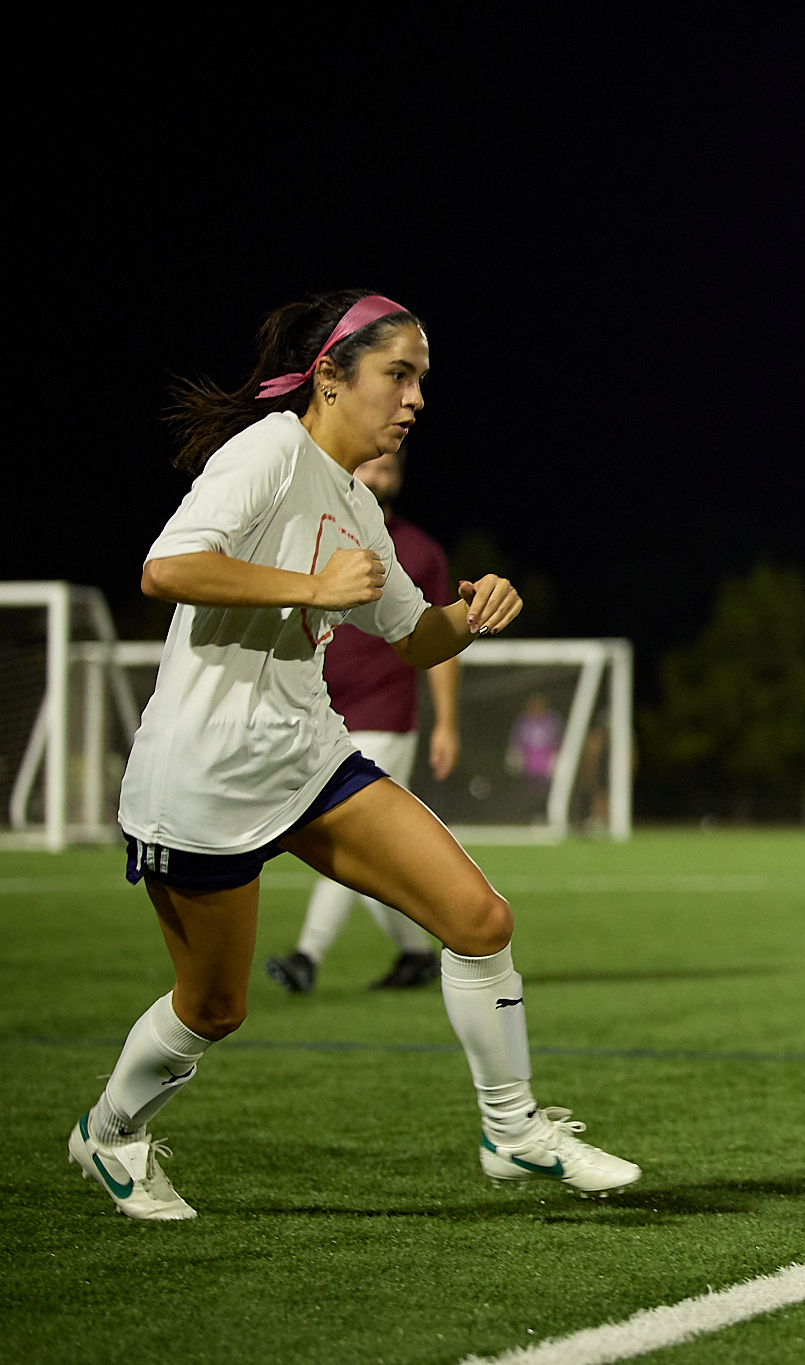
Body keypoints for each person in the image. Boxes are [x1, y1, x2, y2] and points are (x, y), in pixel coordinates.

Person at [72, 290, 639, 1220]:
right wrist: (311, 585)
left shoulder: (355, 501)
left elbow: (414, 637)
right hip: (203, 776)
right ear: (330, 376)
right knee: (213, 1007)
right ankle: (108, 1131)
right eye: (397, 374)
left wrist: (473, 613)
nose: (414, 399)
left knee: (480, 918)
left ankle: (512, 1130)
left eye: (422, 381)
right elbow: (166, 568)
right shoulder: (266, 452)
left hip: (310, 758)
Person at [265, 441, 460, 993]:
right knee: (370, 851)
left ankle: (307, 956)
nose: (382, 468)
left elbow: (438, 639)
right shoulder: (320, 529)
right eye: (374, 459)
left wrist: (447, 723)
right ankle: (415, 953)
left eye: (391, 463)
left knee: (347, 836)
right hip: (319, 713)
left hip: (384, 717)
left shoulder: (419, 551)